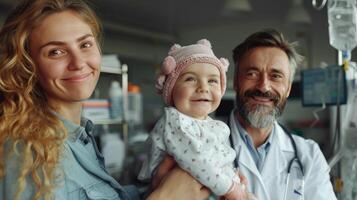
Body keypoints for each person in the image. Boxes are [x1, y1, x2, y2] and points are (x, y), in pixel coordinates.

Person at [0, 0, 210, 200]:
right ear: (27, 66)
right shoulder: (25, 153)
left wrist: (156, 188)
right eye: (56, 52)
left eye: (85, 44)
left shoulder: (78, 138)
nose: (79, 62)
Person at [138, 39, 255, 200]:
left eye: (212, 81)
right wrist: (231, 187)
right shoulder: (174, 120)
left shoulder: (212, 125)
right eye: (190, 79)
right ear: (171, 89)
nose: (203, 87)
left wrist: (233, 177)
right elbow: (197, 160)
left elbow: (216, 161)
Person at [228, 29, 337, 200]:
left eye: (275, 76)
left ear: (288, 89)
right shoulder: (203, 145)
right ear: (235, 81)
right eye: (252, 73)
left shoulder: (308, 155)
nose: (263, 86)